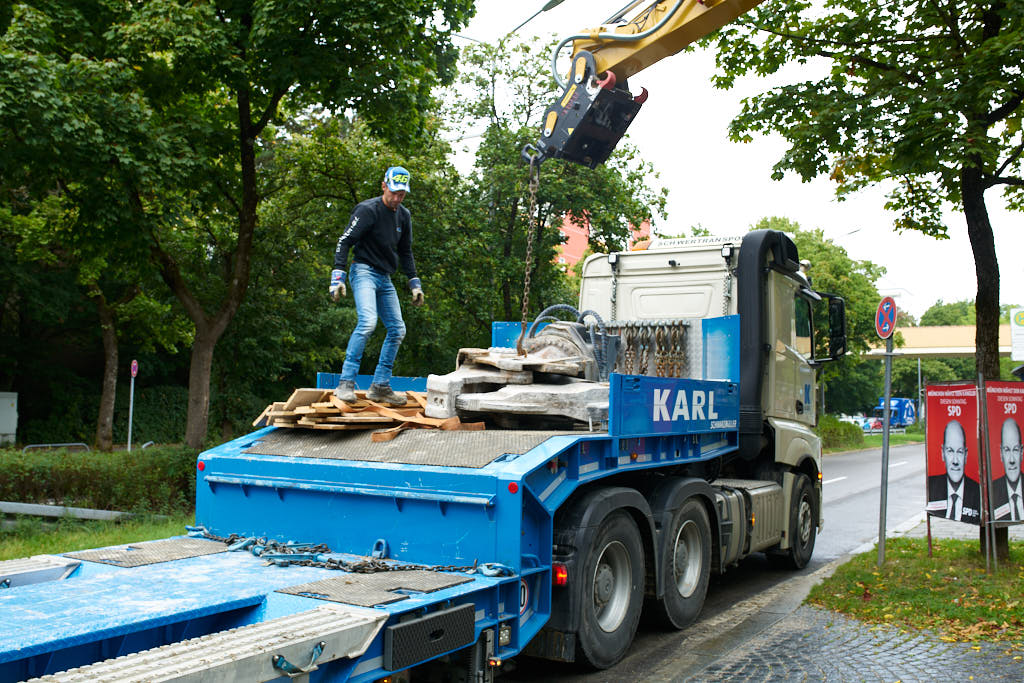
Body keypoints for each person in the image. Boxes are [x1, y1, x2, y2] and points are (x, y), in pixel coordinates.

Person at [329, 166, 425, 406]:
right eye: (393, 193)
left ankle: (380, 386)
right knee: (368, 322)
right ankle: (345, 384)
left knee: (397, 329)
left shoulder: (404, 216)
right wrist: (338, 274)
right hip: (363, 271)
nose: (396, 198)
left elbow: (405, 251)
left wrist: (414, 282)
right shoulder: (367, 210)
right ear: (384, 186)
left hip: (385, 277)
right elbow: (344, 241)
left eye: (401, 194)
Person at [926, 419, 981, 523]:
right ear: (943, 453)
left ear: (966, 454)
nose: (955, 461)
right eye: (950, 451)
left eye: (960, 452)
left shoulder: (977, 492)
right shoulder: (933, 486)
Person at [992, 417, 1023, 521]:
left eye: (1015, 450)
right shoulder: (993, 489)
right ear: (1001, 453)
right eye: (1007, 450)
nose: (1011, 460)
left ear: (1021, 452)